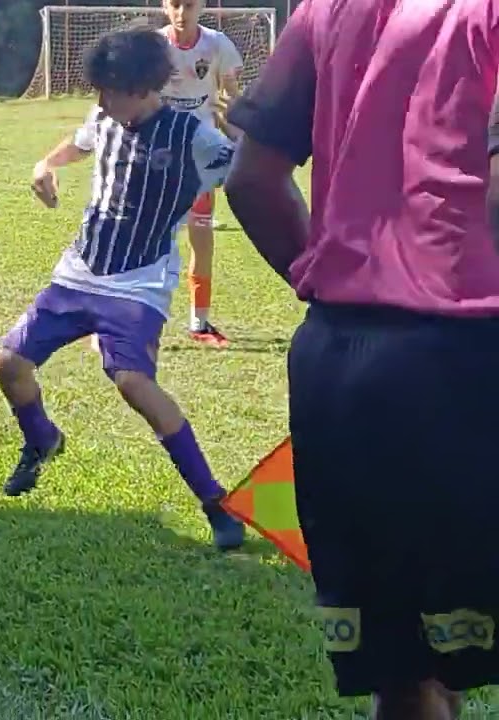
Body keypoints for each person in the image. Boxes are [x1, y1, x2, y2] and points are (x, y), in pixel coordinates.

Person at [224, 0, 499, 716]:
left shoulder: (326, 8)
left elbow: (251, 179)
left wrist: (336, 279)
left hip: (340, 366)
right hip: (468, 363)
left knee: (405, 673)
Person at [0, 28, 245, 551]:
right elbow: (79, 141)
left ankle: (214, 503)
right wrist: (45, 165)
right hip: (79, 272)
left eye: (110, 91)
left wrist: (243, 137)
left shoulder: (191, 137)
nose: (102, 102)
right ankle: (42, 441)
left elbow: (246, 172)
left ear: (142, 87)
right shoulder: (104, 118)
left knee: (134, 384)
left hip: (141, 281)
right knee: (9, 364)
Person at [158, 0, 243, 347]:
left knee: (202, 239)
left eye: (189, 5)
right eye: (175, 5)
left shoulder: (218, 45)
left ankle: (200, 322)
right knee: (151, 242)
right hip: (160, 157)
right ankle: (126, 320)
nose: (182, 13)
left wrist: (233, 117)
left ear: (201, 6)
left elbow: (231, 96)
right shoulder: (155, 48)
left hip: (203, 156)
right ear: (165, 6)